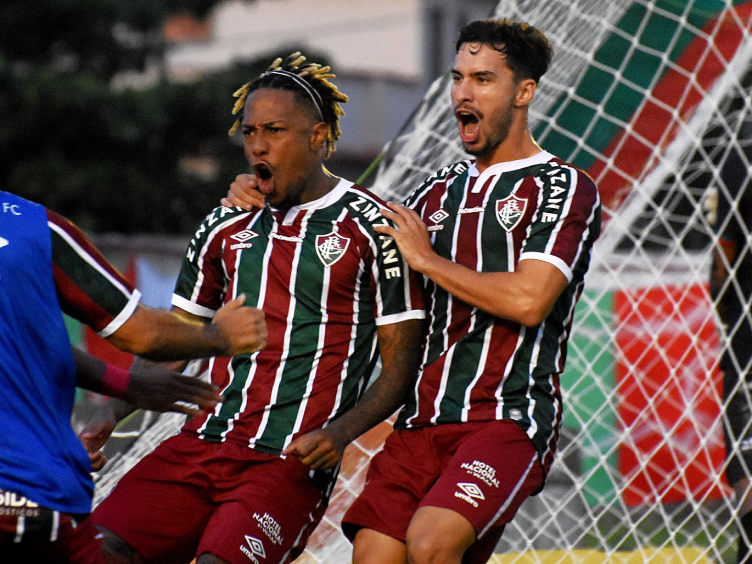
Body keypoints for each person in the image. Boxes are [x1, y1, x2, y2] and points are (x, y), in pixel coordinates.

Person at [227, 19, 601, 564]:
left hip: (504, 418)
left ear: (524, 92)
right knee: (374, 556)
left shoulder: (562, 186)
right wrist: (267, 187)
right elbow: (339, 217)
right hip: (420, 424)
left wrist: (426, 259)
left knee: (430, 543)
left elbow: (529, 299)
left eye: (483, 79)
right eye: (457, 77)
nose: (463, 93)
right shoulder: (431, 193)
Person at [86, 52, 425, 564]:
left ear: (317, 136)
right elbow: (176, 339)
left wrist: (340, 433)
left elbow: (401, 367)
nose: (258, 146)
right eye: (249, 133)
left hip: (283, 465)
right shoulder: (224, 225)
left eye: (275, 130)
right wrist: (110, 413)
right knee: (94, 553)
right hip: (197, 447)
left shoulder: (373, 227)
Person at [0, 189, 267, 564]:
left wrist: (126, 386)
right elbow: (139, 332)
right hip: (26, 490)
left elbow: (28, 343)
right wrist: (220, 336)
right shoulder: (29, 225)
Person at [709, 113, 752, 564]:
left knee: (748, 489)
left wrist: (731, 317)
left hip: (748, 347)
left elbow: (722, 263)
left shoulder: (740, 152)